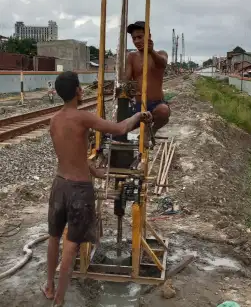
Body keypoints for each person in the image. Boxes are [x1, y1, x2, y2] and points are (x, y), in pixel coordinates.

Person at [41, 71, 152, 306]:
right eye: (81, 87)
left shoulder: (54, 120)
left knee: (53, 237)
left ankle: (49, 286)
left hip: (59, 185)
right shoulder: (83, 118)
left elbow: (72, 153)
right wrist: (139, 116)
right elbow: (120, 128)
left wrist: (93, 170)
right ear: (79, 91)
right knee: (71, 247)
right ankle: (59, 301)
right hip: (79, 191)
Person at [125, 21, 170, 142]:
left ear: (149, 36)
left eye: (140, 37)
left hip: (156, 104)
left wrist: (151, 51)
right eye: (134, 38)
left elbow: (163, 63)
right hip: (137, 106)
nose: (136, 41)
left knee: (164, 111)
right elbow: (126, 80)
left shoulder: (160, 54)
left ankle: (151, 131)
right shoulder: (131, 57)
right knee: (120, 127)